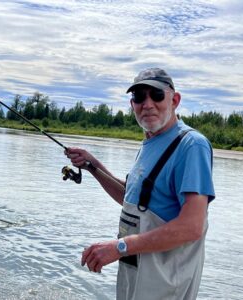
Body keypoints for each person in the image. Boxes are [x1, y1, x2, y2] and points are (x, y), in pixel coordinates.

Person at [65, 68, 215, 300]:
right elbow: (133, 199)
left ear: (174, 100)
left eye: (156, 95)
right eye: (139, 97)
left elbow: (191, 226)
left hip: (165, 286)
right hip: (136, 278)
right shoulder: (149, 142)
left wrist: (119, 247)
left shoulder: (192, 145)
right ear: (132, 104)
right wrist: (92, 165)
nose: (147, 104)